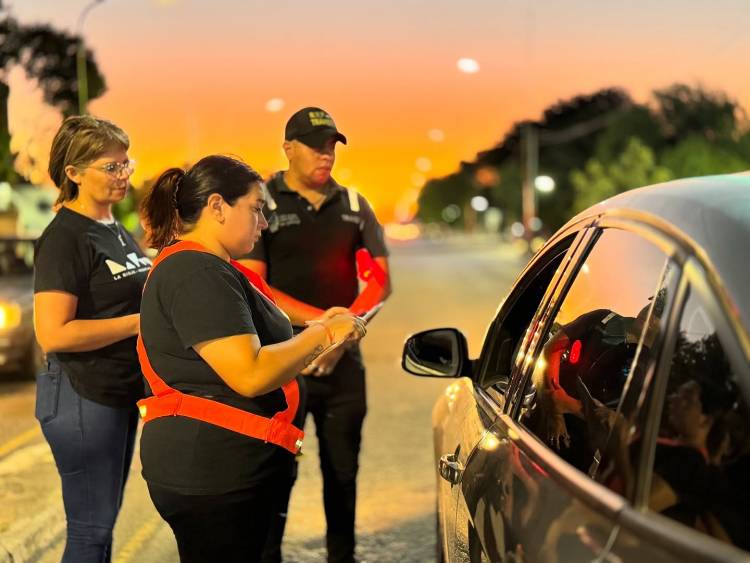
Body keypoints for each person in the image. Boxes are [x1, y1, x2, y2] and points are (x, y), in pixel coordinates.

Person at [138, 154, 365, 563]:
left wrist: (318, 320)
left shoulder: (213, 267)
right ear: (217, 207)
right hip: (211, 475)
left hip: (226, 470)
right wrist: (323, 334)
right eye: (256, 209)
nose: (264, 224)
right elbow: (250, 373)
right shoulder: (196, 272)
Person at [240, 107, 391, 562]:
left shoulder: (352, 204)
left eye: (331, 145)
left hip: (342, 363)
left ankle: (341, 556)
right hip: (283, 364)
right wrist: (323, 329)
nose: (326, 154)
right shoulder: (261, 202)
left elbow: (381, 281)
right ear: (288, 149)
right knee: (274, 475)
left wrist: (343, 338)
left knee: (343, 474)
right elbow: (254, 283)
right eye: (314, 145)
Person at [33, 115, 148, 562]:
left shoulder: (115, 228)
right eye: (111, 167)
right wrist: (140, 322)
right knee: (90, 530)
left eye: (126, 164)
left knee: (104, 525)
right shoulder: (65, 237)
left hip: (116, 394)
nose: (123, 176)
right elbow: (53, 332)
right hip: (83, 397)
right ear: (74, 173)